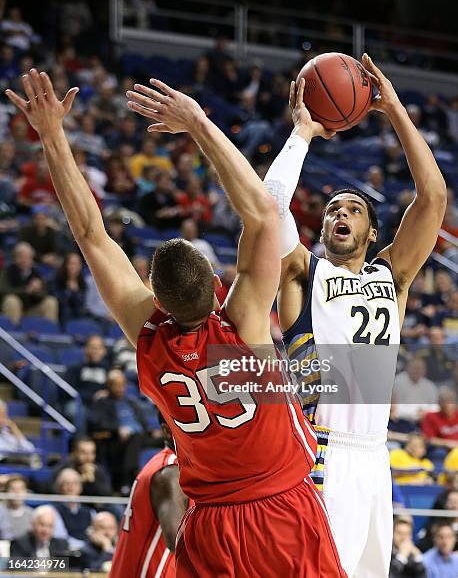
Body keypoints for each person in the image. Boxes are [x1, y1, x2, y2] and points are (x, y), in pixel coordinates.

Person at [6, 69, 345, 576]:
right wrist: (198, 123)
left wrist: (52, 135)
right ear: (215, 285)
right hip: (282, 510)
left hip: (209, 522)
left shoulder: (147, 338)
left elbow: (90, 233)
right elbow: (263, 214)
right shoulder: (245, 326)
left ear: (156, 297)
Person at [261, 54, 447, 577]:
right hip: (323, 454)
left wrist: (395, 112)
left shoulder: (394, 275)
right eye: (331, 210)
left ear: (371, 234)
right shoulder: (302, 273)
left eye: (353, 209)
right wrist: (301, 133)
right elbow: (269, 209)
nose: (339, 214)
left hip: (374, 456)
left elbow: (433, 197)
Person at [110, 412, 188, 577]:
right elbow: (178, 543)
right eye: (189, 424)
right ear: (167, 431)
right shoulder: (170, 472)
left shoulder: (168, 464)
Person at [90, 369, 155, 493]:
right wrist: (117, 428)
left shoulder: (131, 402)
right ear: (109, 385)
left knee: (171, 438)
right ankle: (128, 478)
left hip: (141, 436)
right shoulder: (103, 402)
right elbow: (97, 423)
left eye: (122, 385)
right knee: (134, 438)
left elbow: (143, 422)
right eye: (116, 385)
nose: (120, 388)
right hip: (116, 439)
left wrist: (152, 431)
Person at [0, 241, 59, 325]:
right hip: (12, 308)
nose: (25, 260)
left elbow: (45, 293)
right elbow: (3, 290)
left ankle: (48, 334)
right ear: (16, 258)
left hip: (31, 309)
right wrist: (26, 290)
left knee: (51, 301)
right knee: (12, 300)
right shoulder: (7, 271)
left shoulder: (36, 273)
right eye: (21, 256)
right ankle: (14, 333)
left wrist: (37, 290)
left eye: (28, 257)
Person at [393, 357, 439, 423]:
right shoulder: (397, 382)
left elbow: (436, 408)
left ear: (425, 370)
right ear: (407, 368)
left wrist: (425, 413)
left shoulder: (430, 386)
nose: (417, 371)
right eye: (415, 368)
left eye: (420, 368)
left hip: (425, 421)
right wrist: (415, 413)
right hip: (401, 422)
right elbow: (394, 409)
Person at [0, 475, 33, 539]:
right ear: (6, 491)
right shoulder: (0, 511)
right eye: (13, 489)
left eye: (21, 489)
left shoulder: (32, 514)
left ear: (26, 492)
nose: (17, 493)